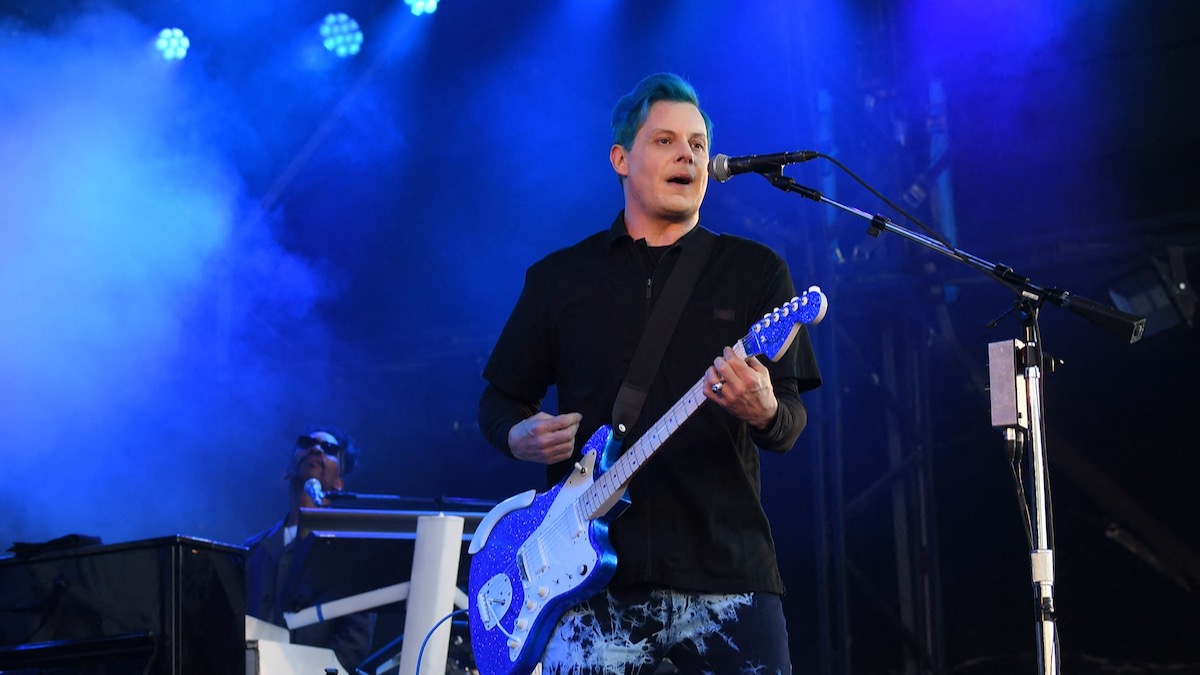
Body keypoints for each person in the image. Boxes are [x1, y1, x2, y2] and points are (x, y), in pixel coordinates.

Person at [477, 73, 822, 674]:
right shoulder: (559, 279)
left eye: (697, 144)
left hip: (726, 573)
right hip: (586, 584)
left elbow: (790, 421)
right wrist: (517, 435)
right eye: (665, 140)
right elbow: (498, 400)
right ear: (621, 159)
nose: (687, 154)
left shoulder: (755, 271)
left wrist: (765, 410)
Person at [243, 426, 375, 672]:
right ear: (287, 470)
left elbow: (354, 640)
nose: (315, 449)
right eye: (306, 443)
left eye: (329, 449)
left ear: (339, 483)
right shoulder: (251, 550)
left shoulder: (348, 553)